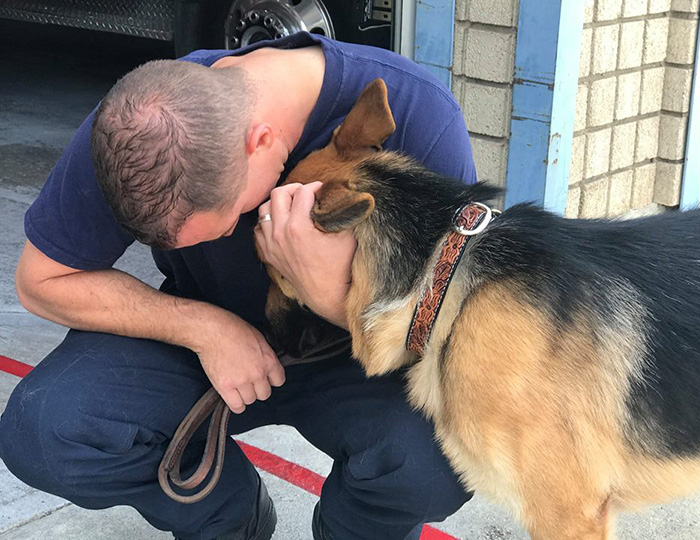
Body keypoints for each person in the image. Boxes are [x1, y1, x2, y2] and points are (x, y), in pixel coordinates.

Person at [0, 32, 478, 540]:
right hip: (199, 346)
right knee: (45, 432)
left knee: (440, 459)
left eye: (228, 222)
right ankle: (231, 519)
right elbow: (40, 281)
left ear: (261, 142)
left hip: (353, 360)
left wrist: (326, 296)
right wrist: (205, 328)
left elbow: (451, 336)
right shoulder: (143, 127)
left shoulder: (421, 117)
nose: (235, 233)